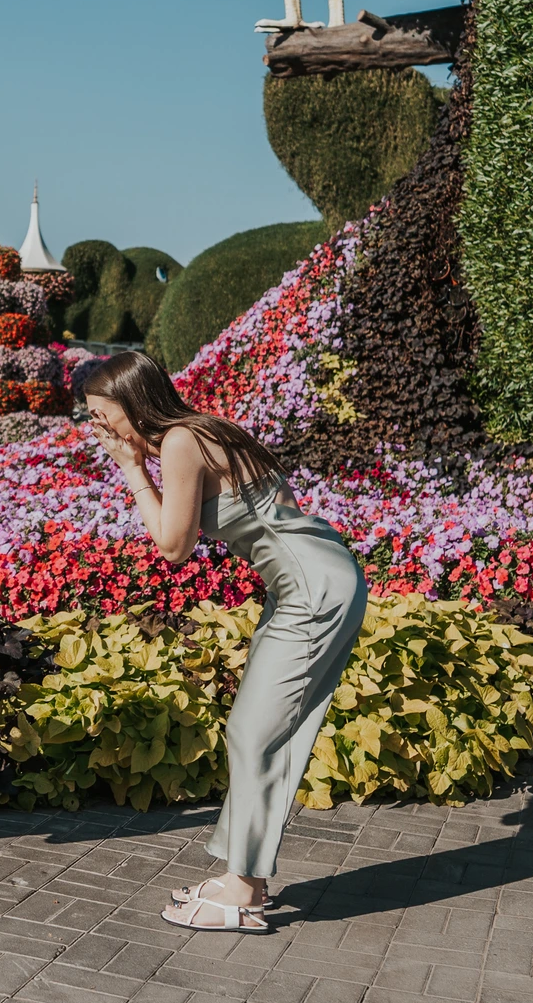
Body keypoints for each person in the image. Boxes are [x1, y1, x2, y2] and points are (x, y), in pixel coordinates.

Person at [84, 352, 367, 933]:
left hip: (312, 588)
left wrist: (133, 470)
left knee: (256, 732)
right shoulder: (203, 429)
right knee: (254, 730)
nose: (98, 429)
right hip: (306, 582)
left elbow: (172, 547)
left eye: (100, 415)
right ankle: (245, 879)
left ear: (131, 404)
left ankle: (243, 891)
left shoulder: (183, 442)